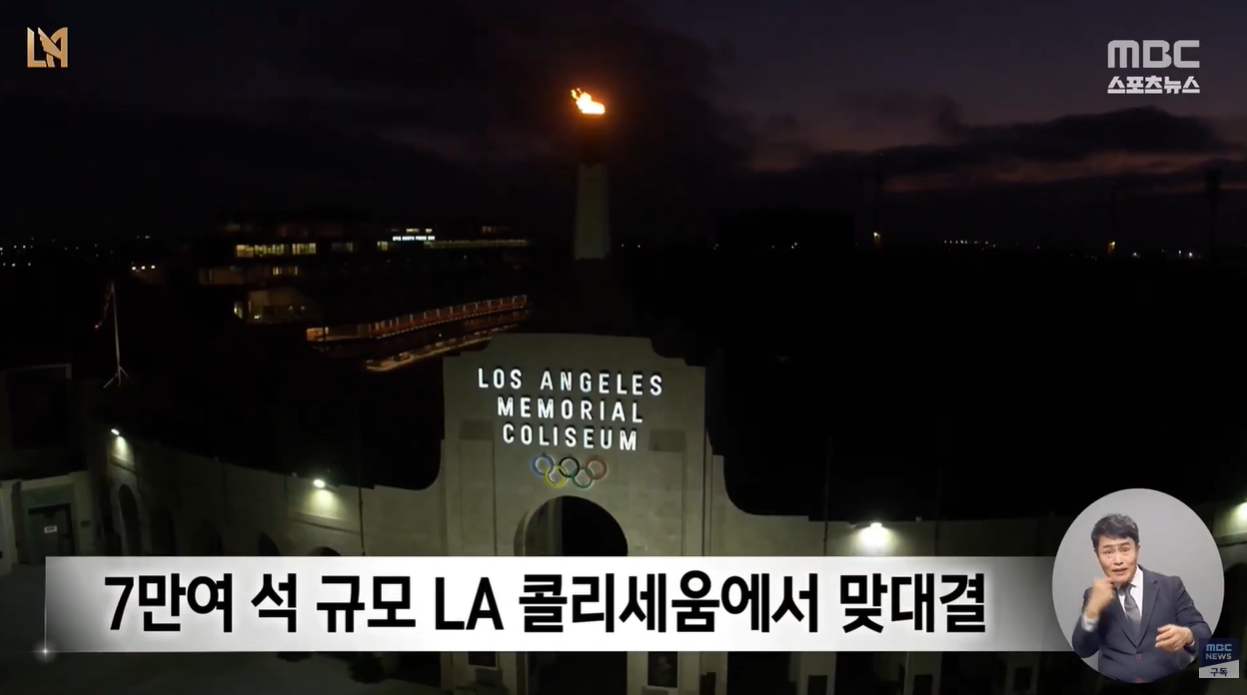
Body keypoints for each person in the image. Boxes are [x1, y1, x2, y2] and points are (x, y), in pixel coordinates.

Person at [1071, 513, 1211, 683]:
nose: (1118, 560)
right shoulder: (1093, 595)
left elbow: (1204, 632)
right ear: (1097, 556)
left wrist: (1187, 635)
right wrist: (1092, 610)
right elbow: (1083, 650)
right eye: (1108, 552)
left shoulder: (1171, 586)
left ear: (1137, 550)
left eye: (1125, 550)